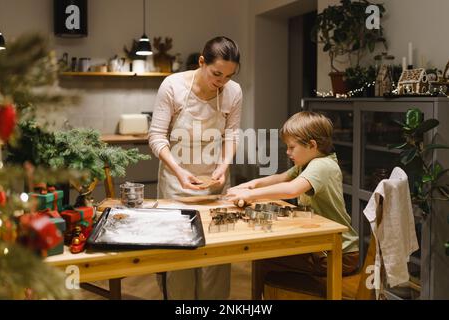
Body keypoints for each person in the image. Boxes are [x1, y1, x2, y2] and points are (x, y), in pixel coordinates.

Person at [226, 111, 359, 299]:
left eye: (291, 147)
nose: (288, 152)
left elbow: (291, 189)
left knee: (264, 257)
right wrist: (250, 184)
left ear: (312, 145)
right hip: (325, 247)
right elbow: (281, 178)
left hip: (337, 253)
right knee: (266, 255)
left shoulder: (322, 166)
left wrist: (251, 195)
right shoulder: (308, 162)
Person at [149, 36, 242, 300]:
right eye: (216, 73)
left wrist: (223, 167)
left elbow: (232, 135)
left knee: (216, 261)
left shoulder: (233, 92)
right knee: (179, 262)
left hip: (215, 186)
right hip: (176, 185)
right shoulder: (173, 86)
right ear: (202, 62)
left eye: (228, 76)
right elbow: (156, 136)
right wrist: (179, 171)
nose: (221, 82)